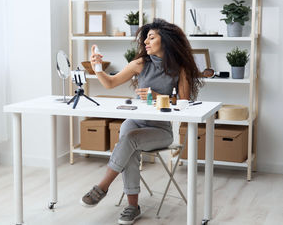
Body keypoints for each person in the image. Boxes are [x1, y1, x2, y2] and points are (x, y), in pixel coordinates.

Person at [80, 18, 202, 224]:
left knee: (129, 140)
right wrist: (97, 67)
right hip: (135, 121)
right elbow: (110, 83)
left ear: (166, 41)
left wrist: (157, 96)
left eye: (151, 37)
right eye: (145, 37)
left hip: (160, 130)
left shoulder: (179, 68)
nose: (146, 41)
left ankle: (102, 187)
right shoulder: (140, 63)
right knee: (130, 143)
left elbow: (184, 103)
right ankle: (132, 207)